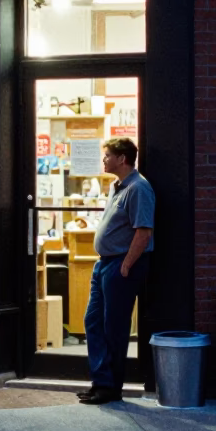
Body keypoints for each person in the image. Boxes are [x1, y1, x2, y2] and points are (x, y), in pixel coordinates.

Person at [81, 138, 155, 406]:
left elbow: (144, 232)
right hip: (104, 264)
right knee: (93, 322)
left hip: (121, 266)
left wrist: (126, 265)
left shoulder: (138, 188)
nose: (104, 160)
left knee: (114, 327)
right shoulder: (117, 187)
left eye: (108, 155)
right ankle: (101, 382)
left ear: (122, 159)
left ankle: (112, 389)